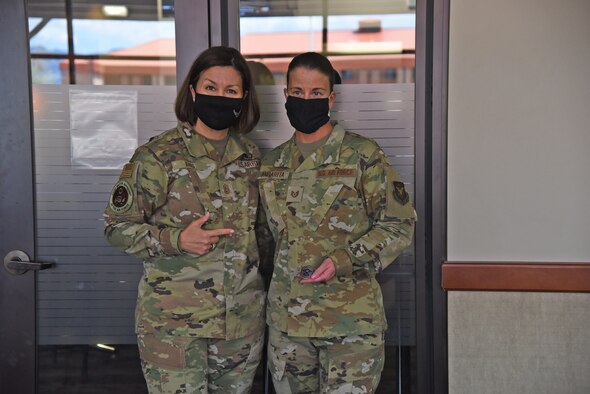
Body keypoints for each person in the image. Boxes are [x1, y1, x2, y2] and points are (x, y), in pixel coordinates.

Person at [104, 46, 269, 393]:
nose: (220, 97)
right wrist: (176, 240)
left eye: (231, 91)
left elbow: (262, 235)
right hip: (174, 326)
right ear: (192, 91)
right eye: (211, 87)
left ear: (244, 98)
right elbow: (116, 228)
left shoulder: (252, 156)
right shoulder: (158, 156)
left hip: (240, 326)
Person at [258, 52, 417, 393]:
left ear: (331, 97)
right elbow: (265, 242)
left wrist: (345, 258)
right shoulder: (271, 166)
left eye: (316, 93)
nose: (306, 100)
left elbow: (399, 225)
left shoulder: (363, 156)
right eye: (298, 92)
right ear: (286, 95)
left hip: (349, 325)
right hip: (288, 327)